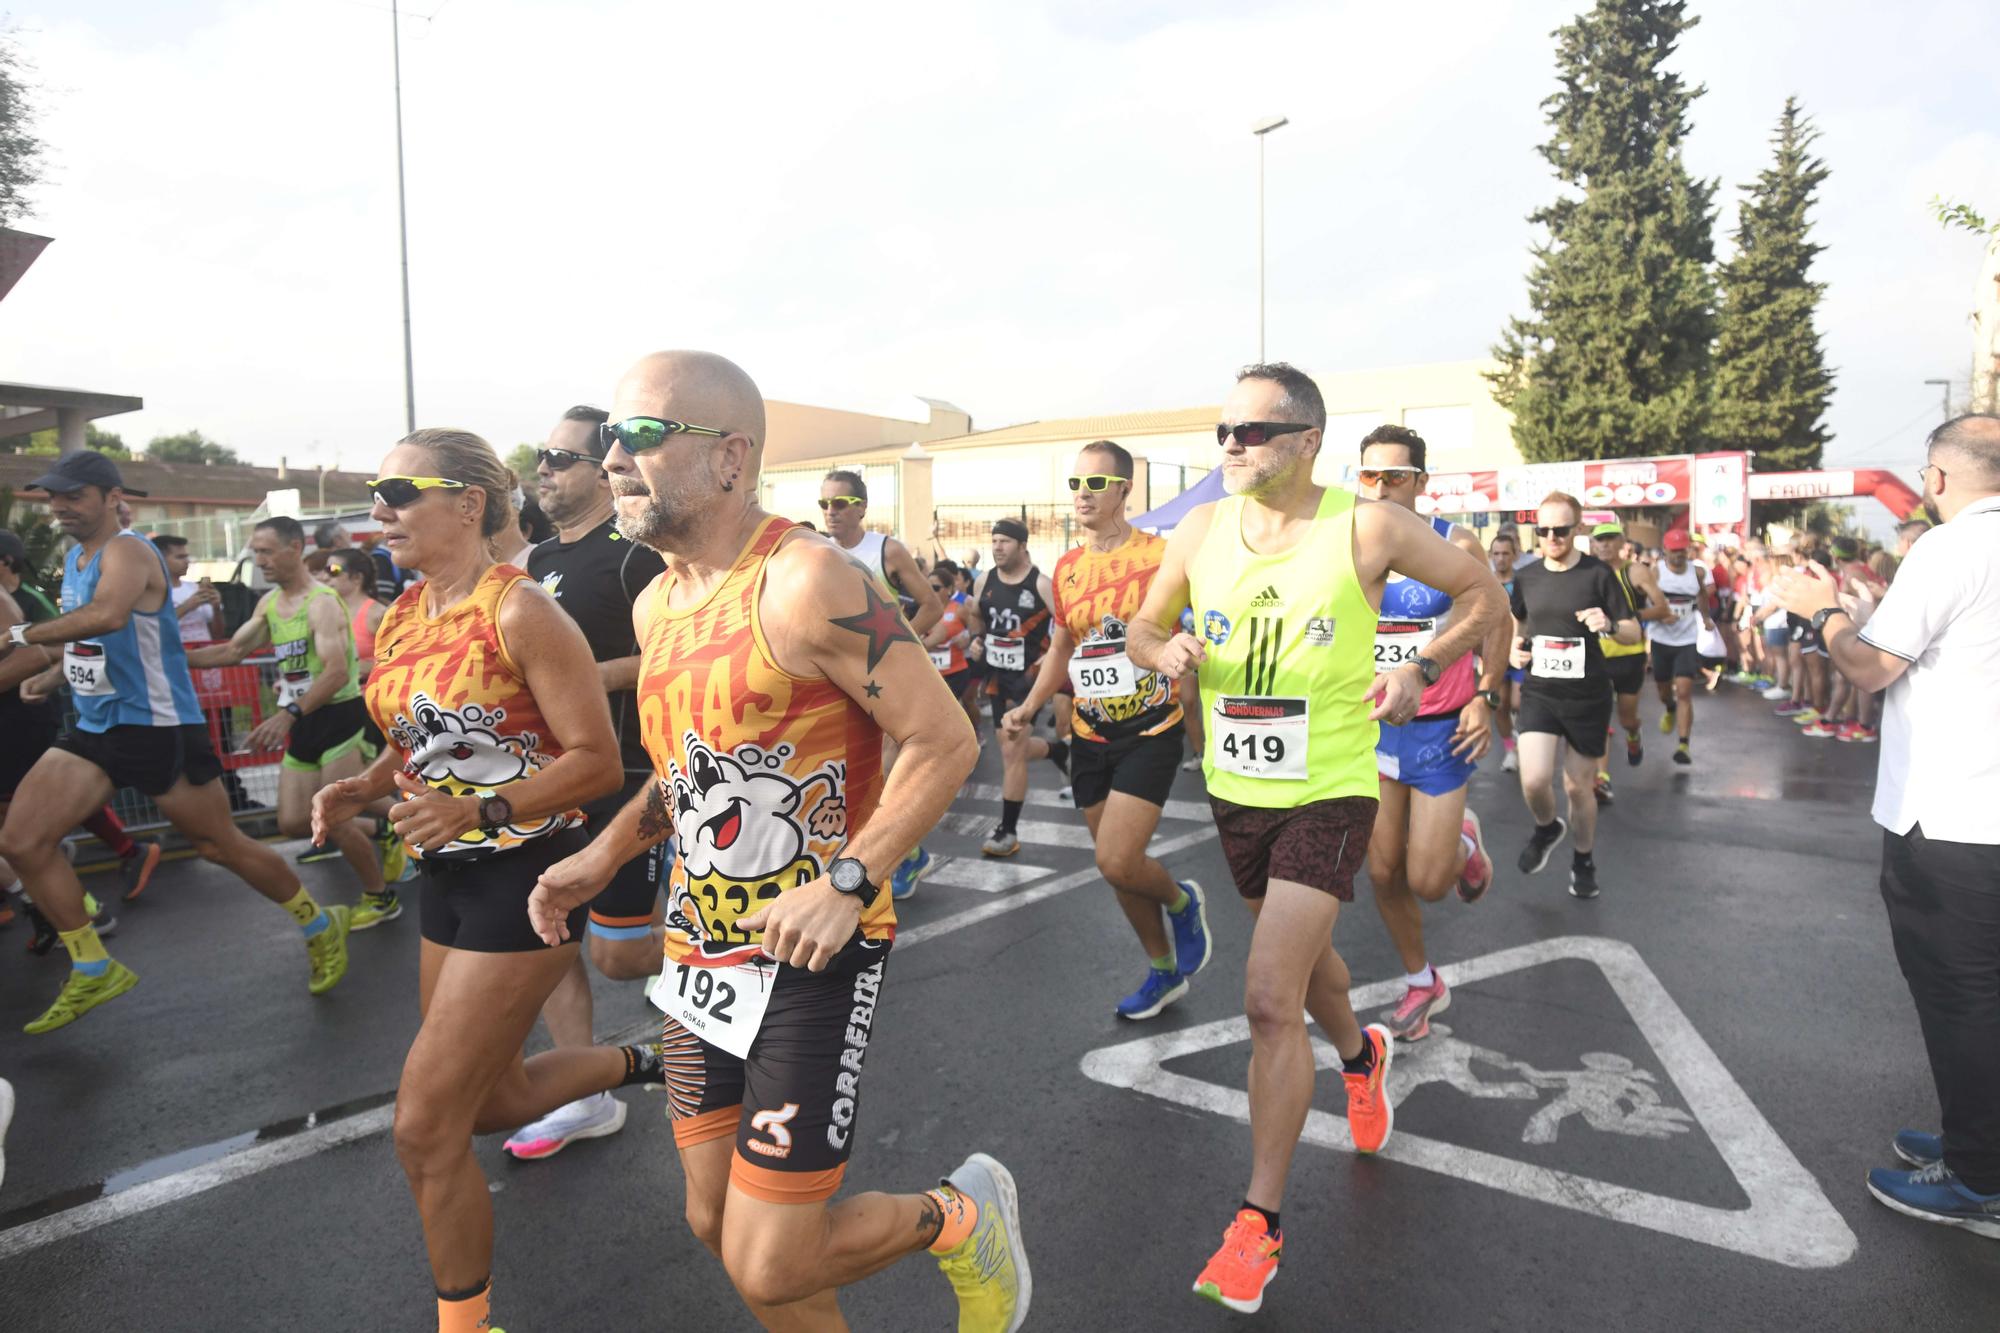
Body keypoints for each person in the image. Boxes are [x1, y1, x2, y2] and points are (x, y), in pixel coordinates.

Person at [525, 351, 1026, 1329]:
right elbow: (687, 775)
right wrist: (602, 856)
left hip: (812, 952)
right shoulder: (656, 601)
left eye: (639, 436)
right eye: (606, 441)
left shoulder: (804, 583)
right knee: (715, 1222)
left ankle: (957, 1216)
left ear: (729, 457)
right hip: (698, 951)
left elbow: (943, 737)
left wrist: (848, 879)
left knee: (772, 1255)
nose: (610, 458)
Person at [1127, 363, 1507, 1313]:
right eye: (1224, 428)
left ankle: (1258, 1225)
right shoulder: (1202, 527)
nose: (1230, 445)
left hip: (1331, 786)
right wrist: (1161, 648)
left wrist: (1425, 663)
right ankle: (1362, 1055)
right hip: (1235, 788)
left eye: (1251, 431)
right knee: (1305, 966)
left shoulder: (1365, 523)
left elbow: (1481, 594)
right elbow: (1141, 625)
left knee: (1265, 996)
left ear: (1305, 440)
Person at [307, 428, 665, 1333]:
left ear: (468, 504)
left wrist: (481, 811)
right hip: (449, 878)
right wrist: (364, 782)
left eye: (397, 488)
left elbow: (595, 761)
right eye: (373, 487)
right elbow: (412, 738)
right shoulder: (402, 612)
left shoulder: (523, 611)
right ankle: (662, 1058)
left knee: (423, 1128)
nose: (379, 507)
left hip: (529, 873)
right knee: (490, 1102)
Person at [0, 452, 353, 1033]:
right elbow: (85, 640)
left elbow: (108, 616)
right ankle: (92, 965)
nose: (59, 506)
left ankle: (319, 923)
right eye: (53, 497)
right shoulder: (76, 557)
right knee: (21, 839)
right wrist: (51, 672)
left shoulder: (130, 551)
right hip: (96, 725)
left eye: (74, 496)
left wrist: (17, 632)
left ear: (112, 498)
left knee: (220, 846)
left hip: (158, 727)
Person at [1773, 414, 2000, 1240]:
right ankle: (1980, 1140)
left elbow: (1868, 668)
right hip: (1980, 811)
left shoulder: (1948, 549)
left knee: (1961, 996)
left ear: (1936, 479)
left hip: (1951, 813)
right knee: (1982, 996)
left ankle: (1979, 1178)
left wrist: (1823, 609)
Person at [502, 405, 671, 1162]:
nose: (544, 468)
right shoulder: (535, 562)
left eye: (560, 457)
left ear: (602, 469)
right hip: (549, 781)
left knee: (619, 956)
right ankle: (587, 1098)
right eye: (542, 456)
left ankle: (740, 953)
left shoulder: (636, 556)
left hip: (628, 774)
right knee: (547, 941)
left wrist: (579, 680)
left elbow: (673, 650)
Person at [998, 440, 1212, 1019]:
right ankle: (1163, 971)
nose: (1082, 495)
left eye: (1096, 484)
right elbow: (1063, 646)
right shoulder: (1067, 567)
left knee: (1117, 860)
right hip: (1090, 731)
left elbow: (1208, 614)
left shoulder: (1162, 555)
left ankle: (1182, 901)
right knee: (1117, 871)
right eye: (1075, 484)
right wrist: (1029, 705)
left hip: (1152, 726)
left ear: (1124, 490)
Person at [1353, 425, 1508, 1042]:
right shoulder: (1348, 545)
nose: (1382, 487)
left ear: (1421, 481)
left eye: (1395, 475)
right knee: (1383, 872)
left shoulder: (1454, 543)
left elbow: (1498, 615)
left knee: (1428, 881)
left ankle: (1464, 847)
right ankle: (1422, 982)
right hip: (1374, 730)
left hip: (1440, 729)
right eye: (1370, 476)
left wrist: (1487, 695)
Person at [186, 517, 401, 930]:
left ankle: (380, 897)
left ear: (293, 549)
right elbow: (233, 650)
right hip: (303, 718)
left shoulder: (320, 602)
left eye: (266, 551)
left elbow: (338, 672)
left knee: (334, 815)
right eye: (255, 551)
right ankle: (385, 828)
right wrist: (171, 659)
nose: (258, 559)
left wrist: (287, 714)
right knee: (291, 822)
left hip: (338, 715)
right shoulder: (269, 603)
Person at [816, 468, 944, 897]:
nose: (831, 512)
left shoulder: (887, 550)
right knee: (848, 778)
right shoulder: (817, 552)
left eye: (840, 504)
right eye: (824, 504)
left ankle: (905, 855)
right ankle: (895, 854)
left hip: (884, 683)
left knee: (885, 776)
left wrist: (896, 645)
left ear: (861, 508)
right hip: (838, 684)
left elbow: (931, 605)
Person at [1508, 491, 1641, 901]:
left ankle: (1583, 860)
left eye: (1560, 530)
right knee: (1532, 780)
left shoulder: (1599, 575)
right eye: (1543, 529)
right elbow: (1519, 625)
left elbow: (1635, 631)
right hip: (1540, 691)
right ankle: (1548, 827)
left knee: (1578, 787)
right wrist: (1514, 649)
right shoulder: (1527, 576)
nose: (1551, 537)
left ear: (1578, 529)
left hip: (1587, 694)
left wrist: (1608, 624)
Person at [965, 518, 1068, 856]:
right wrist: (977, 641)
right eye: (994, 541)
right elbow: (977, 620)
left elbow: (1067, 627)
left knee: (1011, 752)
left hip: (1029, 680)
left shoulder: (1040, 584)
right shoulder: (984, 582)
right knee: (1013, 748)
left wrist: (1054, 663)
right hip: (997, 678)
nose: (997, 547)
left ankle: (1007, 831)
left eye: (1005, 541)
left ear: (1023, 546)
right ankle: (1059, 750)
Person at [1584, 520, 1658, 801]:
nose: (1604, 545)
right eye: (1599, 540)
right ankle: (1602, 777)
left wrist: (1629, 622)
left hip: (1629, 655)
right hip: (1598, 657)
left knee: (1627, 718)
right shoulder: (1586, 572)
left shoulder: (1635, 571)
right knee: (1599, 718)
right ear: (1592, 544)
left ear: (1621, 542)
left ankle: (1634, 734)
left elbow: (1661, 607)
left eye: (1610, 539)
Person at [1646, 528, 1712, 767]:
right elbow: (1646, 604)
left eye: (1682, 550)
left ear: (1688, 550)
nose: (1678, 556)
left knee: (1684, 690)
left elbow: (1703, 595)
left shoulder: (1697, 572)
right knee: (1664, 690)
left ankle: (1683, 744)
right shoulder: (1656, 572)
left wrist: (1705, 617)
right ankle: (1669, 707)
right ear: (1665, 551)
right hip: (1661, 640)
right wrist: (1660, 616)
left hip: (1686, 640)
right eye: (1673, 551)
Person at [1487, 528, 1523, 773]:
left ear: (1514, 555)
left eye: (1506, 554)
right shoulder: (1484, 583)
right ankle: (1511, 750)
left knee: (1519, 704)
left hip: (1520, 653)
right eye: (1496, 554)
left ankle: (1523, 741)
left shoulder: (1524, 582)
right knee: (1499, 706)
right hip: (1494, 652)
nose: (1501, 559)